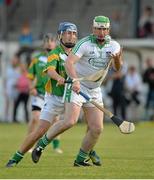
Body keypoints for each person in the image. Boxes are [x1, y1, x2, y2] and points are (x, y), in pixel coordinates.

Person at [31, 16, 123, 167]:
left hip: (94, 90)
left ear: (108, 30)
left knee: (97, 129)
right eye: (98, 29)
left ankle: (80, 159)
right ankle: (41, 144)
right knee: (70, 121)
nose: (101, 32)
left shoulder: (114, 46)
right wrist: (74, 80)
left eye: (104, 29)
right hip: (77, 85)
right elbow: (69, 63)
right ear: (93, 29)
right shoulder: (84, 44)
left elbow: (118, 68)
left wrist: (117, 59)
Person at [6, 22, 78, 167]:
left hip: (72, 95)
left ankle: (87, 152)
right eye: (68, 33)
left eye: (74, 33)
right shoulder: (54, 53)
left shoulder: (79, 52)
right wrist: (58, 78)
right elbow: (51, 70)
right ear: (61, 36)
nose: (71, 36)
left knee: (88, 122)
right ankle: (15, 158)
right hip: (54, 97)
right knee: (39, 130)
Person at [27, 33, 63, 153]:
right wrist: (31, 88)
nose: (49, 43)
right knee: (35, 118)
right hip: (40, 94)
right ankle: (29, 144)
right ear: (43, 44)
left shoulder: (59, 57)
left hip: (54, 94)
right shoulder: (36, 59)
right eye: (47, 41)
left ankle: (56, 146)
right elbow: (30, 77)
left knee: (56, 121)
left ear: (55, 43)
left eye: (52, 40)